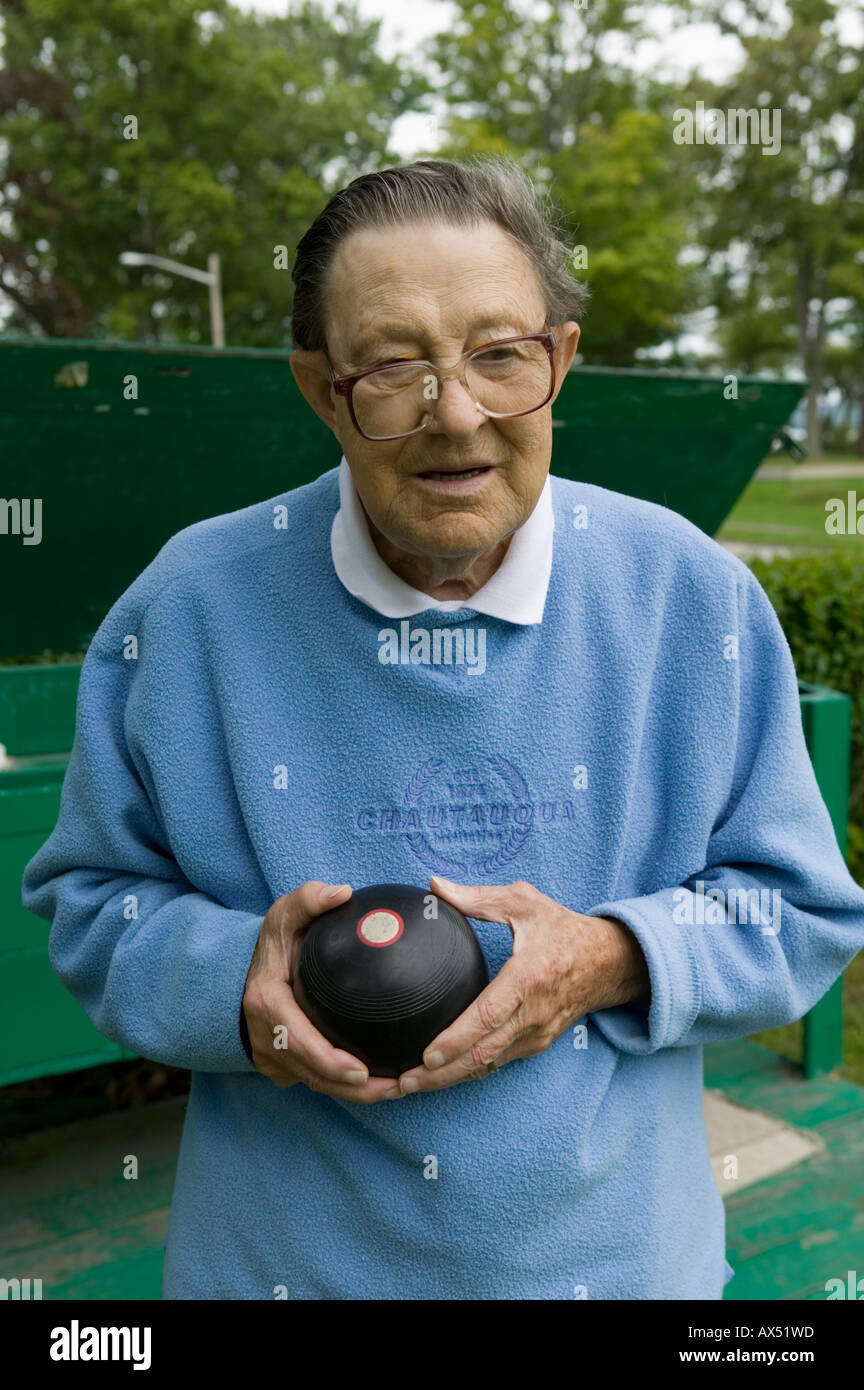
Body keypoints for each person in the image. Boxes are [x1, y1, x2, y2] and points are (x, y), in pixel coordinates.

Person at [23, 158, 864, 1300]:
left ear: (559, 361)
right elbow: (90, 904)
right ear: (322, 389)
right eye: (394, 364)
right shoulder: (190, 609)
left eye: (498, 355)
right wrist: (238, 978)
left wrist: (607, 959)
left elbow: (804, 910)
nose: (455, 413)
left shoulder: (691, 598)